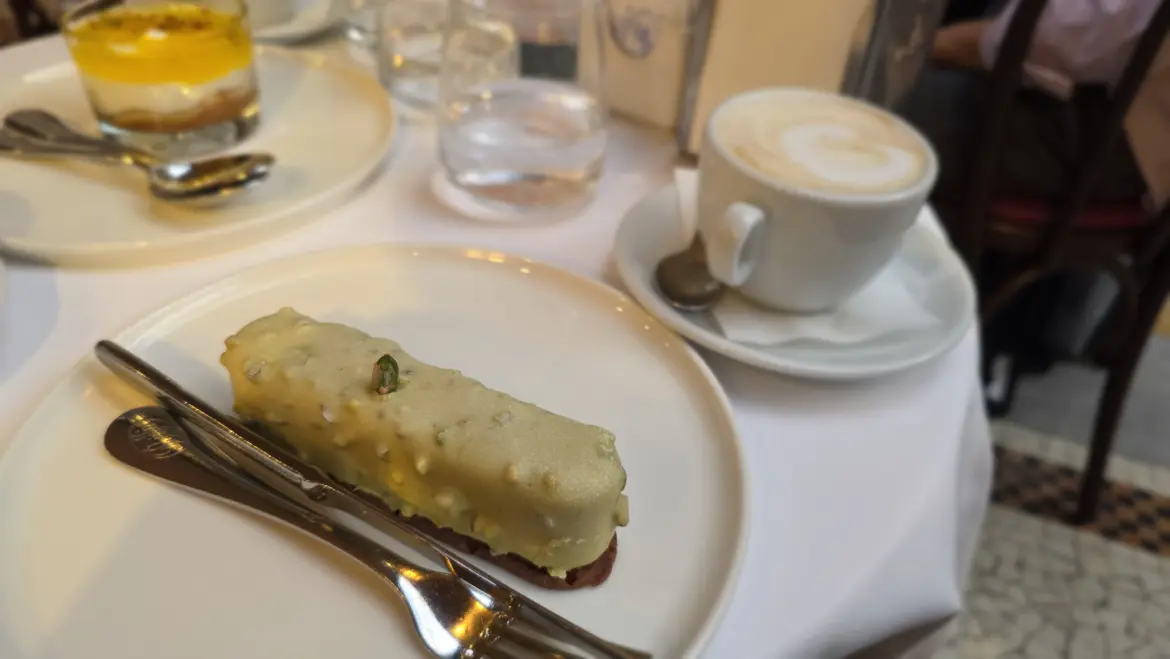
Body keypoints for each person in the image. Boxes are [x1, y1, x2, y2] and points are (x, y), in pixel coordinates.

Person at [897, 0, 1170, 413]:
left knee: (862, 84)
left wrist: (919, 48)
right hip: (1137, 114)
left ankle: (909, 371)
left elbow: (1050, 42)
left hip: (1116, 142)